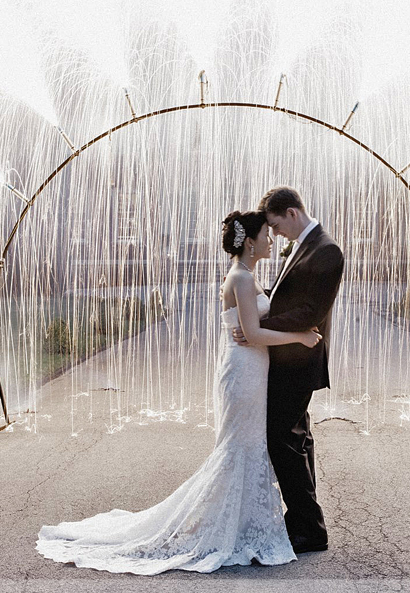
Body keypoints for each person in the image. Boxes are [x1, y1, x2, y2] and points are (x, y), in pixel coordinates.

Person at [36, 210, 321, 575]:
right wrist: (300, 336)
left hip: (249, 368)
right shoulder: (242, 278)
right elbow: (252, 334)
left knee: (246, 445)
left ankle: (241, 522)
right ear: (250, 242)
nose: (271, 239)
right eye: (267, 234)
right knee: (240, 447)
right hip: (244, 370)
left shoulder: (244, 275)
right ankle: (233, 525)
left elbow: (252, 326)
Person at [233, 186, 344, 554]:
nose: (275, 234)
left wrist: (259, 329)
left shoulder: (327, 251)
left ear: (292, 214)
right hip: (288, 358)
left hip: (299, 360)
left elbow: (311, 312)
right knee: (297, 438)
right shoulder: (303, 244)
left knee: (282, 438)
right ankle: (303, 520)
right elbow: (287, 297)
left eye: (277, 226)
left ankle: (310, 527)